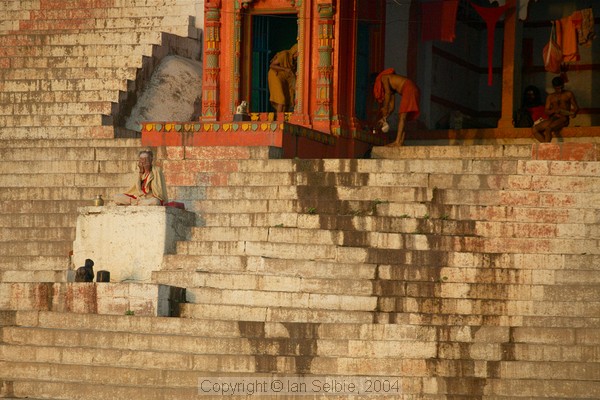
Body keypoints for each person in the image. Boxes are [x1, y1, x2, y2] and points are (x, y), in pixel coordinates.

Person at [373, 68, 420, 147]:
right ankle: (401, 141)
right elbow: (392, 107)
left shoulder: (384, 78)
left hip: (408, 88)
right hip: (413, 88)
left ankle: (397, 142)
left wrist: (385, 107)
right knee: (403, 117)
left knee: (402, 117)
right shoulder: (391, 84)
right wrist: (384, 118)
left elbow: (387, 94)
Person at [532, 77, 579, 143]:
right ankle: (546, 146)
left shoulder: (568, 94)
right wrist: (554, 111)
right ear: (554, 87)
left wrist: (574, 113)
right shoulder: (550, 97)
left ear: (563, 85)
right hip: (553, 118)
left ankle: (546, 148)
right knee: (534, 129)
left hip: (563, 119)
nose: (560, 90)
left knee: (548, 129)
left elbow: (576, 107)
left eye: (561, 88)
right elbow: (546, 111)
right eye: (557, 88)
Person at [268, 43, 298, 113]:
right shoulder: (285, 55)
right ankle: (279, 120)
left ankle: (283, 119)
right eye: (297, 53)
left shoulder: (295, 63)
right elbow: (272, 65)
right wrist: (285, 69)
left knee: (287, 101)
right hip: (275, 75)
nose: (298, 55)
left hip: (284, 78)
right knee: (281, 99)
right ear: (294, 51)